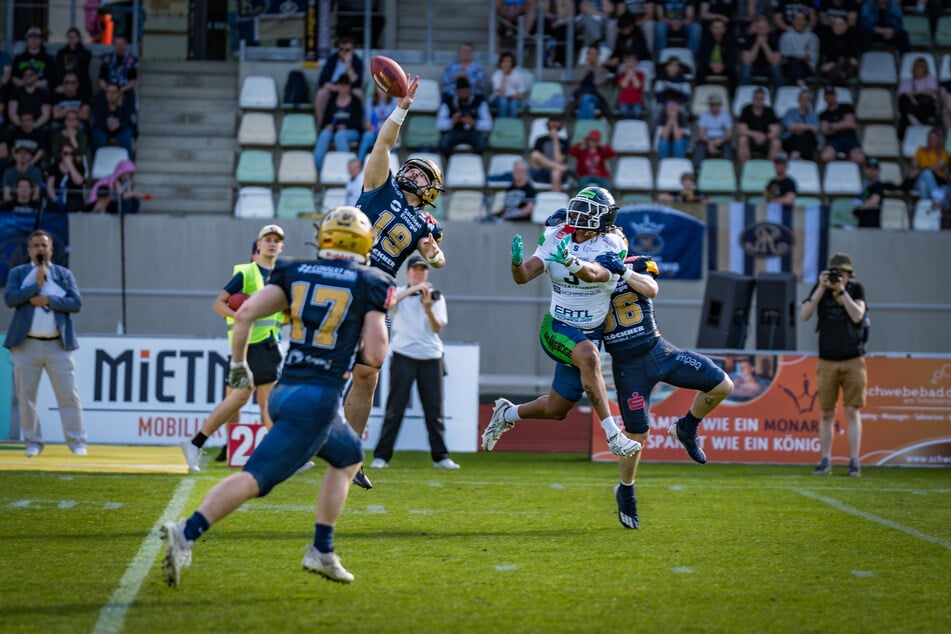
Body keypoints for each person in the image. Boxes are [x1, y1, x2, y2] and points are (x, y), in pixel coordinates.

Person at [160, 206, 395, 588]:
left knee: (349, 455)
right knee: (256, 477)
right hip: (317, 399)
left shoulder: (295, 269)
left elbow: (246, 312)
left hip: (286, 389)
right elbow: (377, 352)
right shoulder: (372, 282)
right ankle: (186, 532)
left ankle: (322, 550)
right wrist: (370, 321)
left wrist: (239, 364)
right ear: (365, 242)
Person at [480, 186, 643, 460]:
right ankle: (613, 434)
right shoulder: (557, 234)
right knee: (589, 356)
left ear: (603, 219)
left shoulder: (613, 242)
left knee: (556, 409)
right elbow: (523, 276)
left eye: (587, 211)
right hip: (556, 327)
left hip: (590, 331)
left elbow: (598, 275)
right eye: (577, 207)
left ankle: (507, 413)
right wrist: (516, 263)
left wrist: (570, 261)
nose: (578, 214)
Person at [349, 74, 447, 490]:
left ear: (432, 190)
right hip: (349, 273)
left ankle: (349, 453)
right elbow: (383, 145)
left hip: (381, 286)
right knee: (335, 365)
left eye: (422, 174)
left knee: (369, 372)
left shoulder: (426, 221)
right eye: (412, 168)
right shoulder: (379, 185)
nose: (412, 173)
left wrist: (434, 253)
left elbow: (437, 258)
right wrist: (402, 105)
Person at [594, 253, 733, 528]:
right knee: (637, 435)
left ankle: (687, 427)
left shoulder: (636, 262)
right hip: (627, 366)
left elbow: (651, 289)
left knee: (722, 385)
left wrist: (622, 270)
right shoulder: (586, 272)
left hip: (659, 351)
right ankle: (626, 488)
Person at [179, 225, 288, 474]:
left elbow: (279, 315)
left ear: (281, 247)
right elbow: (219, 304)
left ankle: (195, 442)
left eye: (276, 241)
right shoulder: (247, 272)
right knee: (267, 402)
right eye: (267, 240)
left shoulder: (281, 275)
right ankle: (285, 455)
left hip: (268, 344)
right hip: (254, 345)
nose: (272, 244)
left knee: (239, 399)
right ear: (258, 245)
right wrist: (241, 316)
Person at [370, 253, 459, 470]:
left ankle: (441, 457)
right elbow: (389, 303)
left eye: (422, 270)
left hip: (431, 356)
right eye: (415, 269)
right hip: (403, 356)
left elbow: (437, 327)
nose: (419, 273)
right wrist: (413, 290)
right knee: (394, 409)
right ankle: (381, 457)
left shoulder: (436, 297)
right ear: (408, 272)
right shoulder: (399, 293)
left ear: (427, 273)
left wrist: (427, 305)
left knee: (434, 410)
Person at [3, 230, 86, 458]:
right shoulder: (18, 273)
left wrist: (49, 299)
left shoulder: (63, 274)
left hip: (58, 344)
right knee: (26, 396)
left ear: (51, 249)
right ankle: (33, 442)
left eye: (44, 245)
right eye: (36, 245)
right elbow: (11, 299)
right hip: (26, 344)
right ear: (29, 250)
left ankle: (76, 441)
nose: (41, 249)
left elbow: (76, 303)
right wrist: (34, 285)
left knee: (68, 394)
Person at [800, 252, 867, 477]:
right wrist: (821, 287)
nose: (840, 276)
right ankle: (825, 460)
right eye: (837, 272)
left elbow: (858, 316)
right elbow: (804, 314)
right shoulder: (821, 290)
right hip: (827, 360)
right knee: (827, 413)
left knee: (851, 411)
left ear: (849, 274)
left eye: (844, 273)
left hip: (853, 360)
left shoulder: (856, 289)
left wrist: (841, 291)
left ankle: (854, 461)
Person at [313, 74, 364, 171]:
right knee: (324, 134)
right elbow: (325, 119)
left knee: (340, 136)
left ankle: (349, 168)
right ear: (338, 86)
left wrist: (346, 126)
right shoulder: (332, 100)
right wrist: (327, 126)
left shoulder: (355, 101)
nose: (343, 87)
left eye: (346, 84)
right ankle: (318, 167)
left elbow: (358, 121)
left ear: (350, 86)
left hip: (351, 131)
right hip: (334, 130)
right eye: (341, 84)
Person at [314, 38, 364, 130]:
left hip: (349, 89)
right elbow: (322, 81)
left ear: (353, 50)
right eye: (341, 49)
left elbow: (357, 82)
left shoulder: (357, 61)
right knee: (321, 93)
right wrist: (334, 87)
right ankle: (322, 127)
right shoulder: (332, 59)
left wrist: (348, 64)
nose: (344, 52)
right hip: (334, 88)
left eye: (347, 50)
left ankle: (358, 127)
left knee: (359, 93)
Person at [436, 76, 493, 157]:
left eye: (465, 91)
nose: (463, 94)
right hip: (454, 131)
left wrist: (474, 123)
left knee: (482, 143)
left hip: (473, 132)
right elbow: (439, 125)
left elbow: (489, 125)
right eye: (460, 92)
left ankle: (474, 160)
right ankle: (452, 160)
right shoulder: (448, 101)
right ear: (457, 92)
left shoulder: (479, 101)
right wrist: (452, 121)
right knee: (444, 142)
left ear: (469, 90)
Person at [819, 85, 864, 164]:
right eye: (828, 95)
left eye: (831, 95)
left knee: (859, 158)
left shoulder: (846, 107)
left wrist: (831, 126)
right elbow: (825, 130)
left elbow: (850, 124)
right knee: (825, 157)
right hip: (833, 141)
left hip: (849, 139)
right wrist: (843, 125)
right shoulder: (823, 114)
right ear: (824, 97)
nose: (830, 97)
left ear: (835, 96)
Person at [737, 87, 782, 165]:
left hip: (766, 140)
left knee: (776, 142)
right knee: (742, 140)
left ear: (764, 99)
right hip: (751, 140)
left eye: (761, 98)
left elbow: (775, 131)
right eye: (756, 98)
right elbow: (742, 129)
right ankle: (746, 169)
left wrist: (765, 136)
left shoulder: (769, 111)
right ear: (753, 98)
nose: (758, 100)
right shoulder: (746, 109)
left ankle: (770, 169)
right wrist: (755, 134)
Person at [897, 56, 938, 139]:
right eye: (917, 66)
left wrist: (914, 93)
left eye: (921, 67)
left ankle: (910, 118)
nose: (918, 69)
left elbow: (930, 92)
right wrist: (912, 98)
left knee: (924, 98)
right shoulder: (905, 81)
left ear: (925, 69)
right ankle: (912, 119)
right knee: (903, 100)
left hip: (925, 107)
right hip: (910, 105)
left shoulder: (930, 78)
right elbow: (902, 96)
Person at [740, 13, 783, 89]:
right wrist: (757, 43)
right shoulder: (750, 38)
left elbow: (775, 61)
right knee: (746, 69)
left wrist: (764, 44)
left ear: (768, 28)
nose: (760, 30)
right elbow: (747, 61)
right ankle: (745, 93)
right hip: (754, 67)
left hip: (768, 68)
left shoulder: (773, 38)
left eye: (763, 28)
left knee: (776, 69)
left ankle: (779, 96)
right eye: (758, 28)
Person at [570, 45, 614, 120]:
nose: (592, 56)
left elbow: (597, 82)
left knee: (587, 99)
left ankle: (580, 128)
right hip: (579, 97)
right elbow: (578, 79)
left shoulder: (603, 70)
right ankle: (588, 129)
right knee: (589, 106)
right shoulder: (580, 68)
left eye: (595, 54)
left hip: (597, 98)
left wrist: (598, 67)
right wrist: (586, 67)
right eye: (590, 53)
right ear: (587, 55)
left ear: (598, 56)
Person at [91, 82, 136, 154]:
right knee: (97, 134)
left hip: (121, 129)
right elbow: (97, 120)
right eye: (108, 92)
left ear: (119, 93)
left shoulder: (126, 104)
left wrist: (119, 125)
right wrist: (107, 125)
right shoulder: (100, 103)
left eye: (114, 92)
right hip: (104, 128)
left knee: (126, 134)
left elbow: (128, 120)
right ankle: (97, 160)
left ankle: (127, 161)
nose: (110, 95)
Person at [907, 127, 948, 204]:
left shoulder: (944, 153)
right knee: (926, 173)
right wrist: (920, 168)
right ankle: (937, 198)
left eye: (934, 138)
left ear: (939, 140)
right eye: (930, 137)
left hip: (937, 181)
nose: (932, 140)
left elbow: (937, 167)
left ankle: (925, 209)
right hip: (918, 180)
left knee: (924, 183)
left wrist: (921, 168)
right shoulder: (920, 150)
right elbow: (914, 165)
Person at [529, 115, 571, 192]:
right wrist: (559, 166)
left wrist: (555, 140)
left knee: (556, 173)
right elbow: (536, 159)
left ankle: (555, 200)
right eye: (552, 121)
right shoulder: (540, 140)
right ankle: (558, 167)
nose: (554, 123)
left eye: (557, 121)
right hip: (542, 171)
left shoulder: (564, 142)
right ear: (548, 123)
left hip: (557, 173)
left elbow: (559, 160)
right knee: (535, 155)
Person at [779, 10, 820, 86]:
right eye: (797, 19)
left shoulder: (813, 37)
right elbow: (784, 55)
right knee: (793, 62)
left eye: (802, 19)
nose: (799, 22)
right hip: (787, 66)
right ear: (793, 21)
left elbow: (810, 57)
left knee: (795, 62)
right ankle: (801, 85)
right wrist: (800, 56)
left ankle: (797, 87)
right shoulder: (785, 36)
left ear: (806, 22)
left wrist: (796, 56)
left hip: (807, 68)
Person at [357, 85, 398, 162]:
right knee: (367, 136)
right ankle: (360, 162)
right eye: (380, 87)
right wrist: (370, 127)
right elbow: (367, 122)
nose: (382, 90)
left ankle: (392, 162)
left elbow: (395, 122)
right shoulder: (370, 101)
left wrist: (385, 128)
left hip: (388, 130)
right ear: (375, 89)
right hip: (373, 130)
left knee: (389, 137)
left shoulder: (394, 102)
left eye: (384, 87)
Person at [692, 92, 734, 165]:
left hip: (722, 139)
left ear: (720, 105)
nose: (714, 107)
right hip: (707, 139)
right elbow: (701, 134)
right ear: (709, 105)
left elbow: (729, 134)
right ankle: (697, 170)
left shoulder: (726, 115)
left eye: (716, 104)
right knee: (699, 147)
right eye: (712, 104)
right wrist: (710, 142)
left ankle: (728, 169)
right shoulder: (704, 115)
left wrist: (720, 141)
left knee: (728, 148)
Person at [98, 34, 139, 105]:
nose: (119, 46)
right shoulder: (106, 59)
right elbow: (101, 79)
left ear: (126, 45)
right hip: (108, 90)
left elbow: (133, 81)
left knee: (130, 96)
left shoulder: (132, 60)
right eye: (117, 44)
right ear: (114, 45)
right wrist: (109, 91)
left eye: (121, 44)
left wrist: (121, 90)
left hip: (124, 90)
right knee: (100, 97)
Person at [53, 27, 93, 99]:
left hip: (80, 84)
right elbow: (58, 70)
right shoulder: (61, 53)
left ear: (79, 38)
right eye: (70, 37)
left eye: (74, 37)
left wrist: (79, 46)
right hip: (65, 83)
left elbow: (83, 70)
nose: (72, 40)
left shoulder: (86, 53)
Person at [45, 142, 86, 212]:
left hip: (73, 198)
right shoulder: (54, 167)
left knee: (73, 205)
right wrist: (56, 199)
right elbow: (49, 187)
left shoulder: (79, 167)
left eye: (71, 153)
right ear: (61, 154)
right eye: (66, 153)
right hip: (57, 197)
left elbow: (79, 182)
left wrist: (70, 166)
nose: (69, 156)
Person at [781, 89, 819, 161]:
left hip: (808, 141)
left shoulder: (813, 115)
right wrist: (807, 126)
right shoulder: (790, 111)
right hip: (791, 140)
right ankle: (799, 157)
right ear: (798, 99)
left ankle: (796, 155)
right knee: (805, 135)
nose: (805, 101)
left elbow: (815, 129)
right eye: (803, 98)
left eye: (807, 99)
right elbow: (789, 127)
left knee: (808, 135)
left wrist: (798, 127)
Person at [489, 51, 528, 119]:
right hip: (498, 99)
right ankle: (502, 125)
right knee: (503, 101)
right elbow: (501, 92)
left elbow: (522, 94)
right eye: (504, 61)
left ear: (512, 63)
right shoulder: (497, 75)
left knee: (513, 103)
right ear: (500, 63)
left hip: (514, 99)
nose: (506, 64)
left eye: (508, 61)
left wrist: (514, 96)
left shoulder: (518, 75)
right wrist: (504, 75)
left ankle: (512, 127)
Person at [853, 157, 884, 228]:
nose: (871, 171)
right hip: (862, 225)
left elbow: (874, 201)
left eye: (874, 169)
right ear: (865, 169)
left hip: (872, 226)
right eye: (869, 168)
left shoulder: (878, 185)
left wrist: (858, 209)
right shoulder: (865, 187)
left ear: (878, 171)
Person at [614, 51, 646, 119]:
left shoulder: (640, 75)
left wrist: (633, 75)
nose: (629, 64)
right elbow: (623, 86)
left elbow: (638, 86)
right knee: (623, 111)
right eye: (627, 62)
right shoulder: (621, 75)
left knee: (637, 112)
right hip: (623, 101)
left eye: (632, 62)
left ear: (636, 63)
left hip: (637, 101)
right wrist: (628, 75)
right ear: (624, 64)